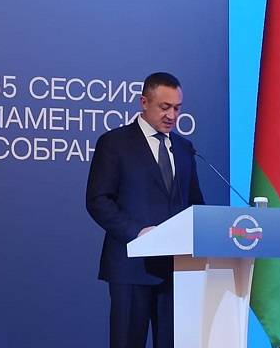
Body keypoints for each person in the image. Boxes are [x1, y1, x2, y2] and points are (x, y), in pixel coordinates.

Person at [86, 72, 204, 348]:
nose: (172, 115)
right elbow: (98, 200)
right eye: (165, 107)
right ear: (144, 102)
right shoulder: (114, 143)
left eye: (177, 108)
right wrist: (138, 233)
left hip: (176, 270)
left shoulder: (184, 148)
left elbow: (195, 203)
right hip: (131, 266)